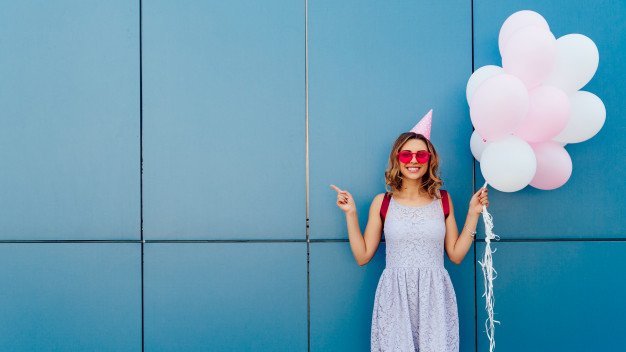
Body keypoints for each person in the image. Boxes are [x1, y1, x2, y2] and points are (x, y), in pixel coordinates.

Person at [330, 126, 489, 351]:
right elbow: (362, 256)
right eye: (406, 154)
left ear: (429, 159)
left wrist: (473, 214)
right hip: (395, 296)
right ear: (397, 159)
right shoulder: (382, 202)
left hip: (433, 295)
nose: (413, 160)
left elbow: (455, 254)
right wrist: (351, 214)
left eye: (421, 154)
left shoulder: (443, 199)